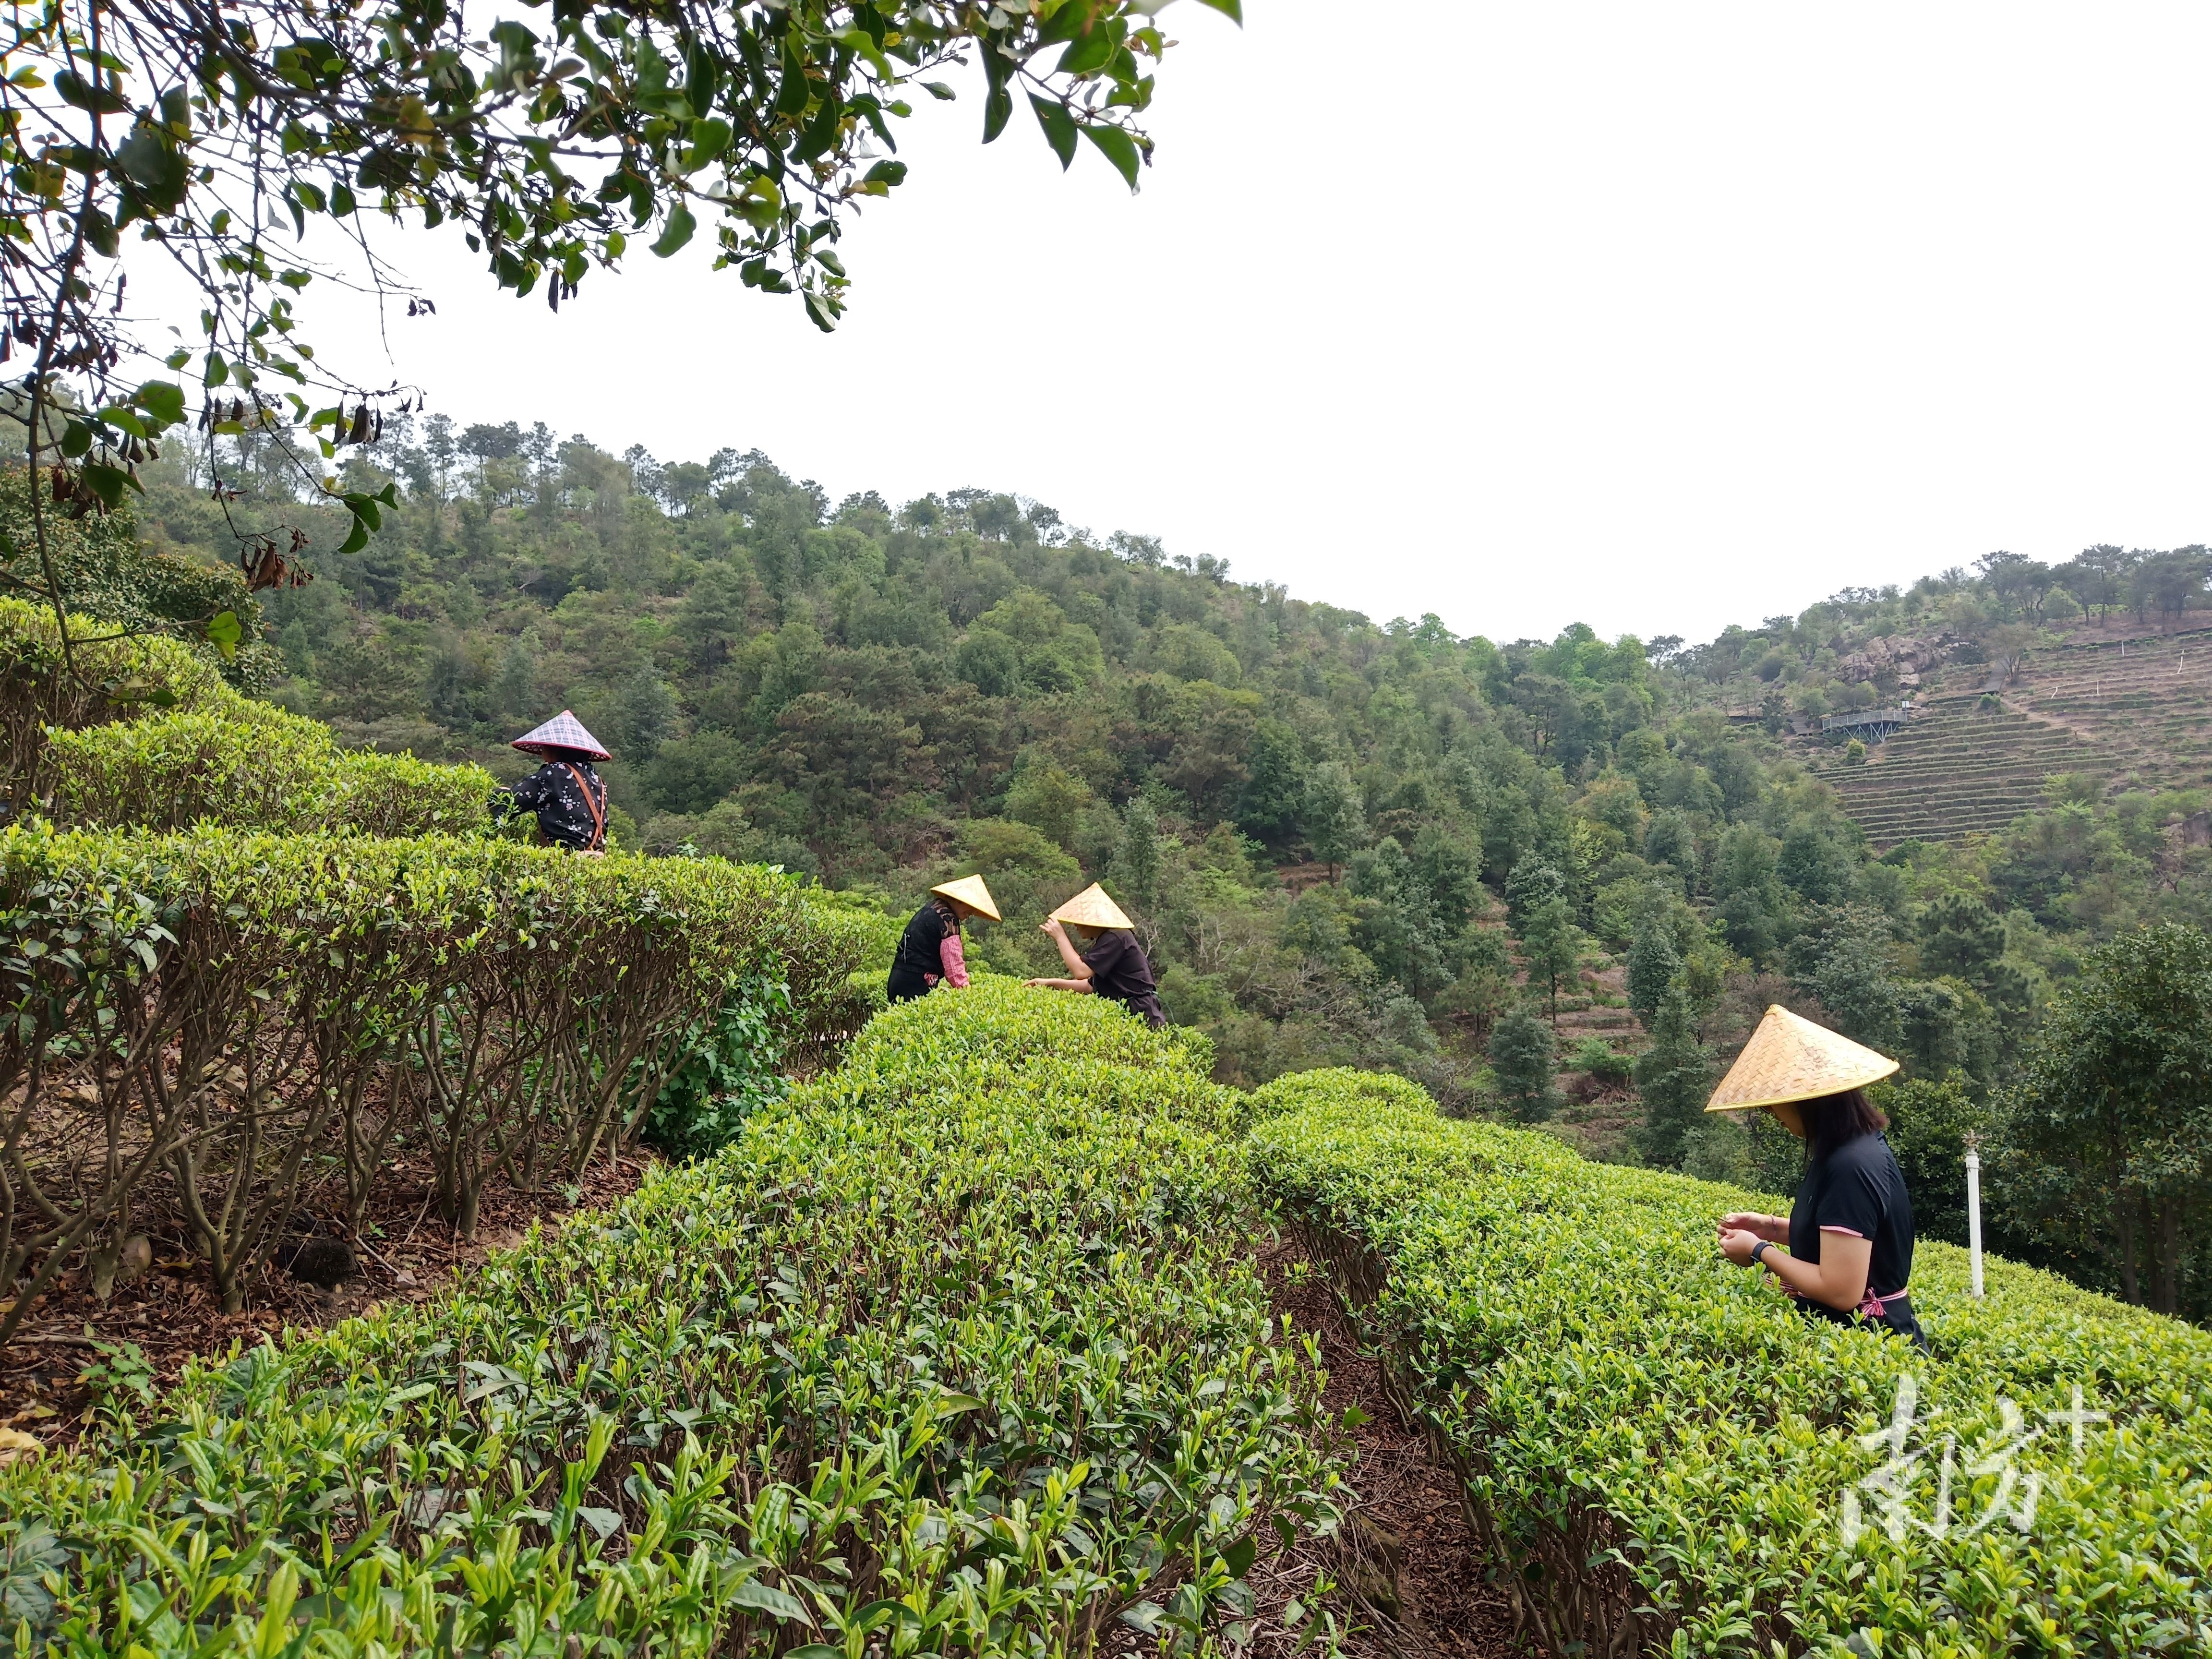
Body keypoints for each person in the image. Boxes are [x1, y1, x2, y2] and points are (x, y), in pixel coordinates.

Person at [1707, 1005, 1927, 1349]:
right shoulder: (1850, 1149)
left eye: (1774, 1102)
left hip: (1871, 1352)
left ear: (1809, 1100)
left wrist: (1758, 1251)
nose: (1769, 1113)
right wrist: (1773, 1228)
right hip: (1857, 1344)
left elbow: (1841, 1290)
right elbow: (1849, 1242)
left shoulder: (1851, 1167)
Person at [1024, 883, 1166, 1028]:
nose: (1076, 925)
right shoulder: (1111, 939)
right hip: (1132, 1013)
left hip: (1143, 1015)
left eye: (1081, 921)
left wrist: (1061, 937)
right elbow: (1090, 986)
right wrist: (1050, 983)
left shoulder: (1117, 937)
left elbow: (1081, 972)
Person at [491, 710, 612, 853]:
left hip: (564, 861)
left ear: (554, 750)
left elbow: (510, 803)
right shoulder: (596, 779)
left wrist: (494, 794)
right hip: (595, 859)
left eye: (544, 747)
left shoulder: (553, 773)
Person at [887, 875, 999, 1004]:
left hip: (898, 980)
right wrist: (969, 996)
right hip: (915, 986)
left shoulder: (932, 908)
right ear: (960, 900)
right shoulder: (948, 920)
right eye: (971, 907)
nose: (972, 912)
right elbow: (954, 968)